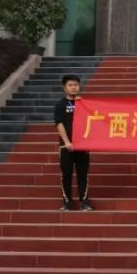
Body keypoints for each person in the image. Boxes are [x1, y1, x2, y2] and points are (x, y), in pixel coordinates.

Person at [53, 74, 93, 211]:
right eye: (70, 85)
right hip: (66, 146)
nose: (74, 87)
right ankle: (67, 202)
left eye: (76, 85)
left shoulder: (84, 104)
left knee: (83, 175)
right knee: (66, 175)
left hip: (82, 146)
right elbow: (59, 124)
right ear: (64, 88)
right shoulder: (61, 105)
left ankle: (84, 201)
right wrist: (67, 142)